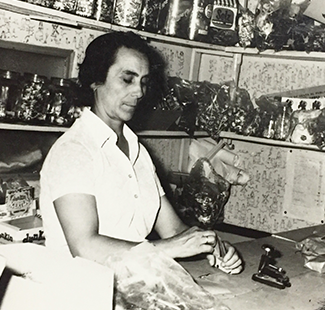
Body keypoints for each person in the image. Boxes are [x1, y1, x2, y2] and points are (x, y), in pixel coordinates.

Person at [39, 31, 243, 274]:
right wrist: (166, 249)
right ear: (95, 79)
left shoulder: (137, 151)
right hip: (83, 292)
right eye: (127, 79)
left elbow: (173, 231)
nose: (139, 92)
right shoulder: (74, 151)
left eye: (143, 82)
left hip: (137, 286)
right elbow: (85, 246)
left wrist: (210, 245)